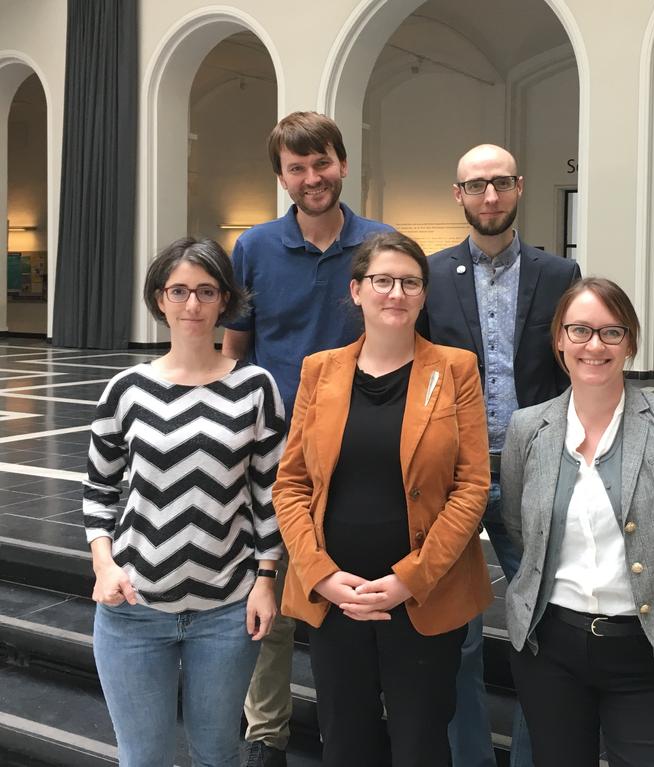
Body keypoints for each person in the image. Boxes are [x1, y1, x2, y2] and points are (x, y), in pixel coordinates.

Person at [273, 231, 493, 767]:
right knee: (346, 743)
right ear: (357, 291)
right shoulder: (319, 370)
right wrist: (319, 573)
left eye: (410, 283)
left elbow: (471, 486)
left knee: (421, 744)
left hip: (423, 595)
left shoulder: (455, 368)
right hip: (336, 597)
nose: (396, 293)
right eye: (383, 281)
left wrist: (407, 580)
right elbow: (291, 483)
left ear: (423, 294)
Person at [222, 111, 392, 767]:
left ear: (342, 165)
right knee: (271, 596)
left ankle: (359, 720)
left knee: (360, 596)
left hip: (363, 452)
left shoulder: (380, 243)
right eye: (297, 167)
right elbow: (237, 349)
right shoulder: (254, 248)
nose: (311, 177)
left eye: (321, 163)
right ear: (282, 176)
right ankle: (266, 731)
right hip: (277, 454)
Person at [501, 277, 654, 766]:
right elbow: (520, 527)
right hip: (550, 647)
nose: (594, 345)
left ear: (631, 342)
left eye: (611, 332)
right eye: (579, 330)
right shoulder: (528, 428)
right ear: (559, 339)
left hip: (641, 647)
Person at [83, 237, 286, 767]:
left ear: (225, 301)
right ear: (158, 300)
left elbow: (269, 494)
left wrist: (266, 580)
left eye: (205, 291)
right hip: (133, 607)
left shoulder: (256, 388)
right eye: (179, 291)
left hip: (226, 609)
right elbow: (99, 490)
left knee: (218, 752)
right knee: (143, 757)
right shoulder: (125, 390)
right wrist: (103, 565)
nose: (192, 305)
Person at [417, 143, 580, 766]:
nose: (489, 196)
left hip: (532, 470)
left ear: (519, 187)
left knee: (541, 625)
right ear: (458, 194)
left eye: (501, 184)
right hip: (454, 476)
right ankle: (469, 759)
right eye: (476, 186)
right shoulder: (430, 275)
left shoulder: (559, 275)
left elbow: (570, 371)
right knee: (451, 634)